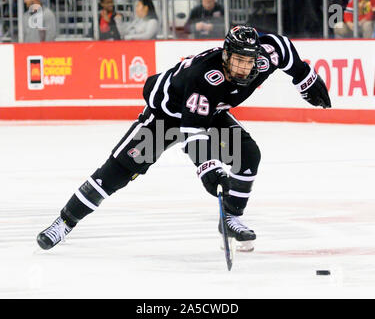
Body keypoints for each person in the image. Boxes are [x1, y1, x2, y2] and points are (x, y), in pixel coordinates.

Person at [37, 25, 331, 252]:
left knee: (248, 155)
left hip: (209, 112)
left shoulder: (266, 56)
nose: (244, 68)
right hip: (167, 117)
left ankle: (230, 218)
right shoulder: (205, 77)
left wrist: (306, 80)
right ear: (225, 55)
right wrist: (210, 171)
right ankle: (63, 222)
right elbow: (192, 131)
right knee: (117, 173)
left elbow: (286, 50)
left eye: (249, 62)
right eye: (238, 61)